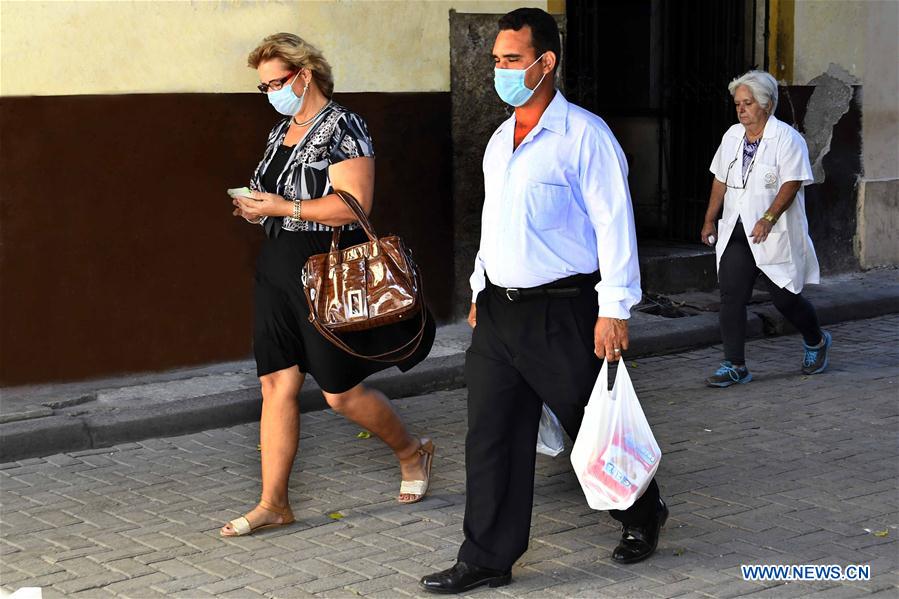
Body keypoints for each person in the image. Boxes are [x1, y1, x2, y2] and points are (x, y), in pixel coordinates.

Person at [419, 9, 666, 594]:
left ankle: (641, 510)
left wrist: (615, 308)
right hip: (500, 313)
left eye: (510, 60)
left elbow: (615, 225)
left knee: (591, 426)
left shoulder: (585, 135)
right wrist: (480, 286)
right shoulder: (501, 139)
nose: (499, 71)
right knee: (491, 436)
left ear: (544, 62)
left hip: (564, 310)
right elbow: (493, 221)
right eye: (496, 60)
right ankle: (486, 556)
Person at [222, 33, 436, 537]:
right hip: (276, 266)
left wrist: (283, 207)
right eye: (264, 86)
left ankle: (412, 452)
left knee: (339, 393)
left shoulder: (344, 125)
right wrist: (258, 208)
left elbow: (354, 203)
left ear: (305, 73)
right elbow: (280, 198)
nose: (271, 91)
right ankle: (274, 503)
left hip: (324, 268)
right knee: (276, 383)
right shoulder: (282, 131)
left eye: (277, 81)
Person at [701, 70, 831, 388]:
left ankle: (816, 340)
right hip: (737, 229)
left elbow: (792, 181)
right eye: (737, 104)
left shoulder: (787, 139)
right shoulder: (732, 136)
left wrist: (768, 218)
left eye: (748, 103)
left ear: (767, 105)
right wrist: (709, 218)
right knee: (731, 295)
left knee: (786, 300)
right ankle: (735, 364)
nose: (741, 110)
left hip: (773, 232)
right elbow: (720, 178)